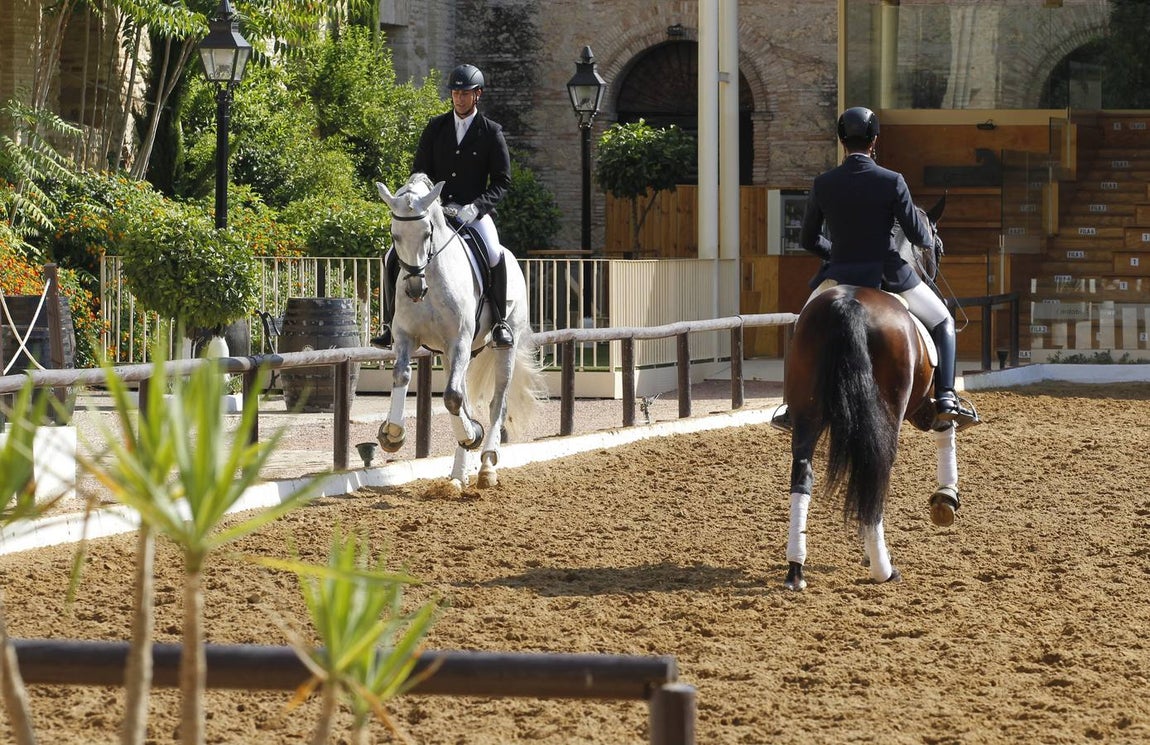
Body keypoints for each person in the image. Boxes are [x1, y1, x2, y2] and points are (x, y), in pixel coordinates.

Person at [771, 106, 977, 432]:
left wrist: (835, 253)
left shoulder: (824, 183)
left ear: (841, 141)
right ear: (874, 140)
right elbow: (919, 236)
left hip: (839, 275)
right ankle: (948, 397)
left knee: (802, 330)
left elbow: (808, 239)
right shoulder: (892, 181)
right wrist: (920, 230)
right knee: (943, 321)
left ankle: (791, 407)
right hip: (888, 274)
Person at [372, 63, 515, 350]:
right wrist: (421, 192)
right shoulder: (436, 128)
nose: (459, 99)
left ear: (478, 95)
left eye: (465, 94)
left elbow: (502, 182)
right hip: (434, 212)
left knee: (494, 253)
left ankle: (500, 322)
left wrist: (476, 207)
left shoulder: (491, 132)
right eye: (455, 93)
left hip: (472, 214)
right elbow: (419, 169)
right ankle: (389, 324)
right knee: (391, 256)